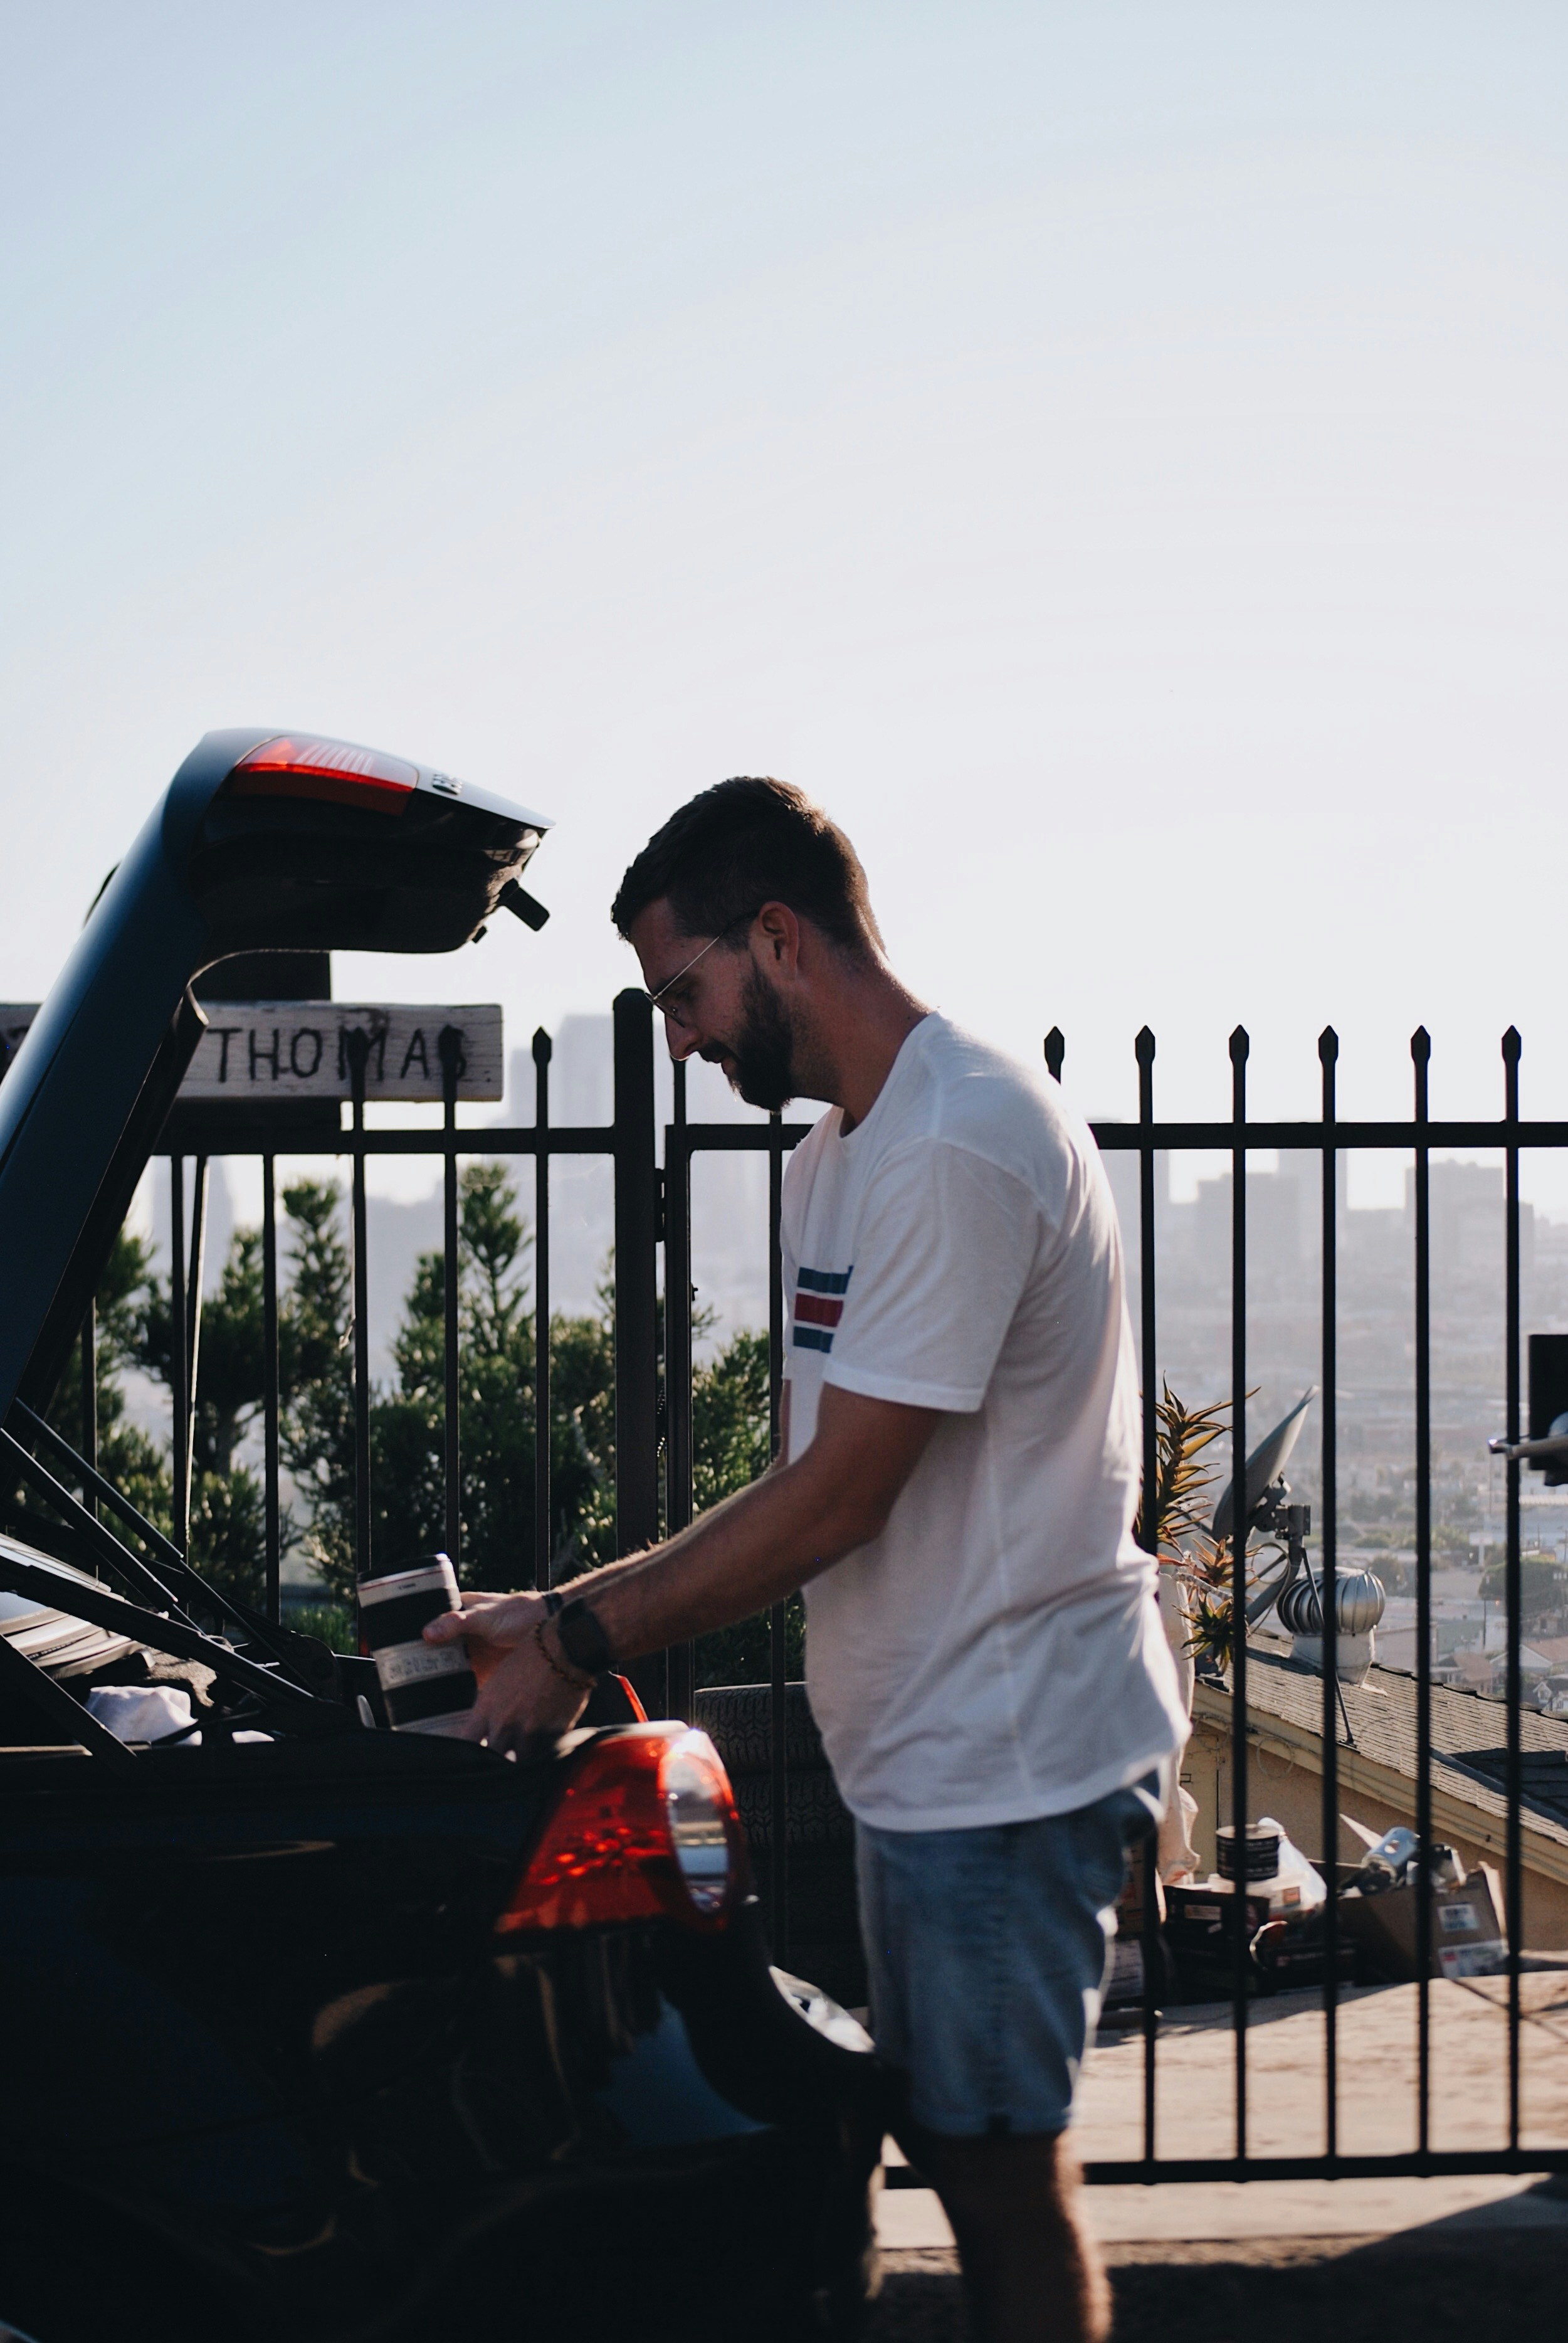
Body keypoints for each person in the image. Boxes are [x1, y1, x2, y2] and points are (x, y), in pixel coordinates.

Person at [423, 778, 1188, 2343]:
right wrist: (581, 1614)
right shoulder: (842, 1155)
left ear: (777, 937)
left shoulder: (956, 1144)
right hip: (925, 1762)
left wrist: (577, 1630)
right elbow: (810, 1482)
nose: (684, 1040)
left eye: (684, 993)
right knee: (948, 2144)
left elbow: (840, 1499)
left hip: (1011, 1763)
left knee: (994, 2175)